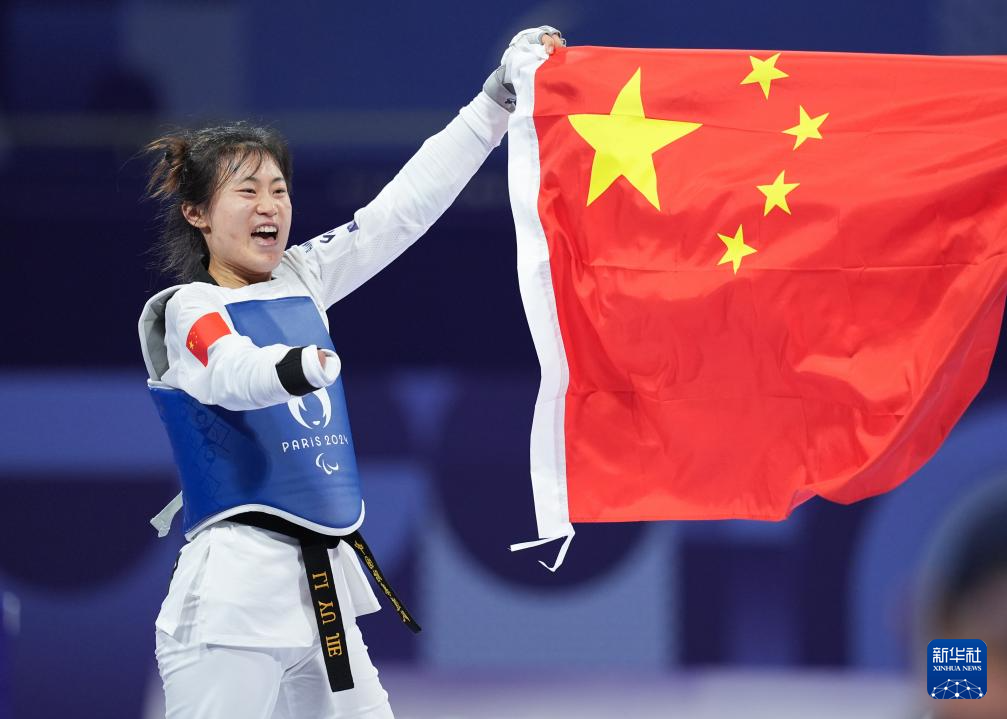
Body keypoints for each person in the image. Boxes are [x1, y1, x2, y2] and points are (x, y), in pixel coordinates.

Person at [137, 27, 565, 719]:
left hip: (320, 595)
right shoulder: (191, 308)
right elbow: (230, 370)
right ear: (197, 214)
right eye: (247, 191)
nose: (270, 205)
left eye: (279, 189)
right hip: (228, 612)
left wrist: (496, 101)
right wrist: (296, 366)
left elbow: (400, 212)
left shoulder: (303, 277)